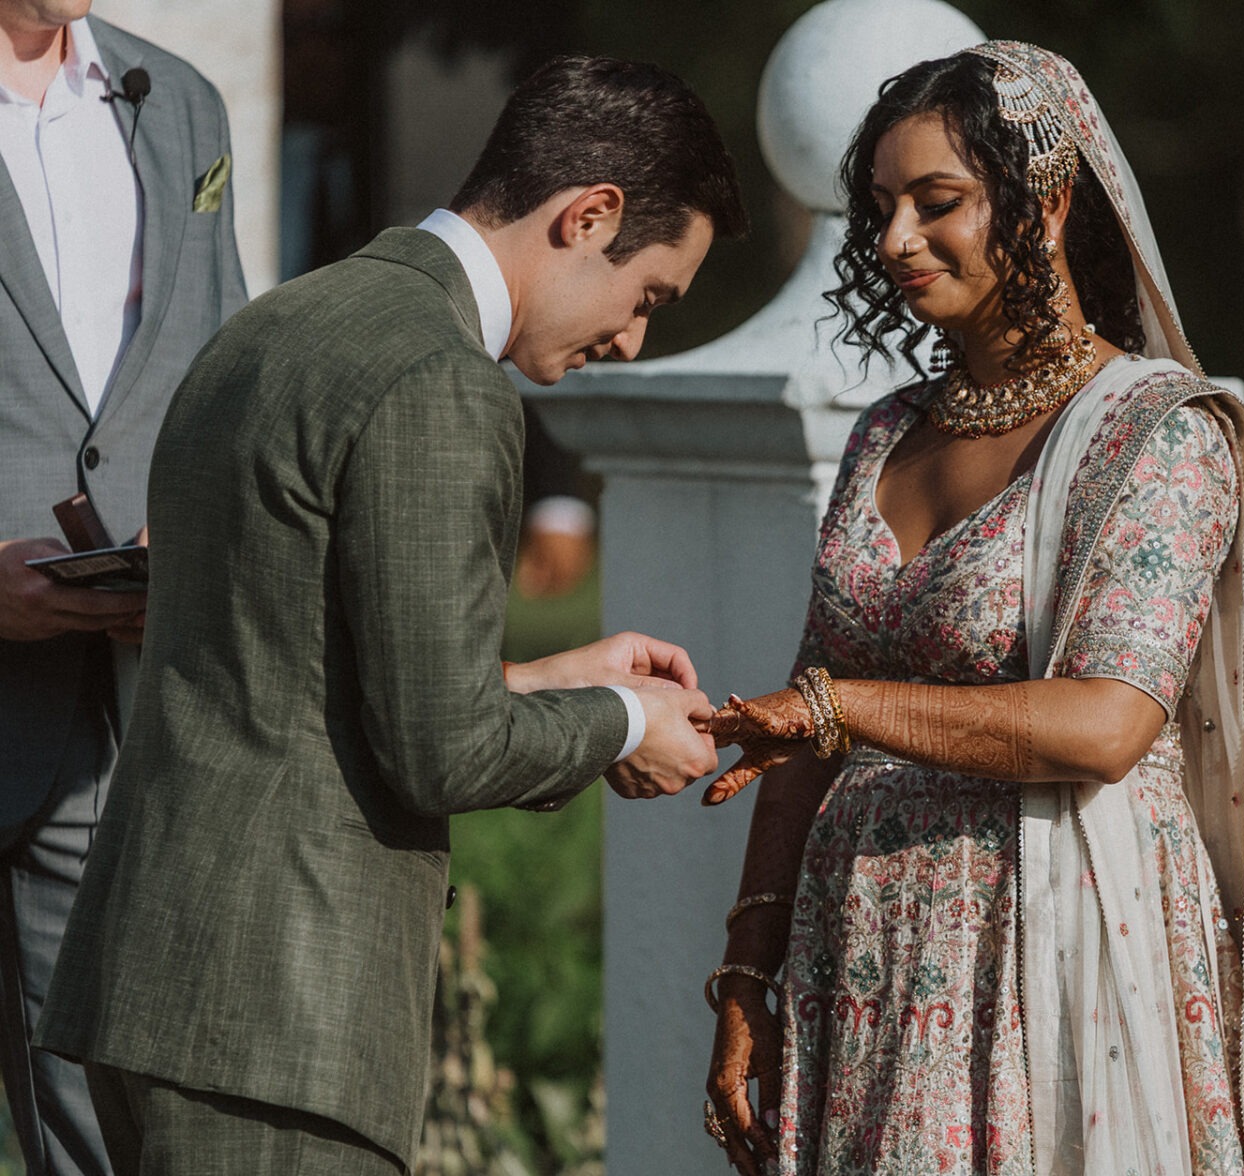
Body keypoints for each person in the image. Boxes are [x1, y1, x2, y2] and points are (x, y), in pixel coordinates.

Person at [35, 53, 745, 1175]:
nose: (632, 339)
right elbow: (441, 751)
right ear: (589, 215)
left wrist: (562, 680)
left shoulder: (281, 323)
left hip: (149, 978)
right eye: (647, 294)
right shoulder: (444, 378)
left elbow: (290, 663)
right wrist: (622, 723)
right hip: (282, 1020)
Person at [701, 41, 1244, 1176]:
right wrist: (747, 975)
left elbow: (1107, 724)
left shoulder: (1154, 434)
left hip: (1047, 952)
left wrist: (837, 709)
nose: (896, 240)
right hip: (860, 969)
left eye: (937, 203)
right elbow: (801, 734)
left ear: (1042, 207)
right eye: (883, 208)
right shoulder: (887, 435)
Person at [0, 1, 245, 1170]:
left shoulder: (181, 100)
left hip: (108, 706)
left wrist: (194, 518)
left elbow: (220, 364)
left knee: (99, 1126)